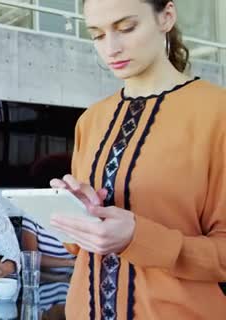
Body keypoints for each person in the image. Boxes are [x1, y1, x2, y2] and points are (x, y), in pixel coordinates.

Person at [48, 0, 226, 318]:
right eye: (97, 35)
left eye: (126, 28)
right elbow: (81, 249)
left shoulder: (218, 114)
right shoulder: (90, 120)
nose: (111, 49)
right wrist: (80, 218)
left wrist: (139, 238)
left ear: (166, 17)